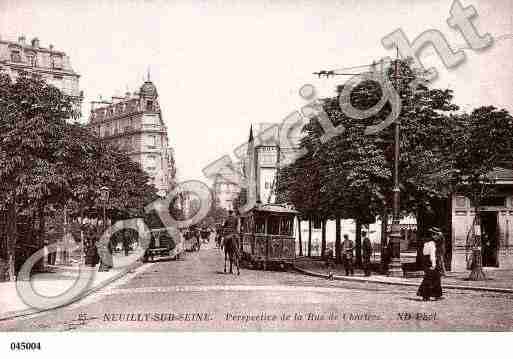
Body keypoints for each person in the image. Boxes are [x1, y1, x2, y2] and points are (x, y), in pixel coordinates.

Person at [417, 227, 443, 301]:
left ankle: (426, 296)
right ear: (433, 235)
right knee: (435, 279)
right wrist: (434, 264)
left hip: (426, 262)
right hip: (431, 262)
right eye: (437, 235)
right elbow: (432, 255)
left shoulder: (426, 243)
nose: (437, 237)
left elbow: (424, 254)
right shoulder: (432, 243)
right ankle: (436, 295)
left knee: (428, 279)